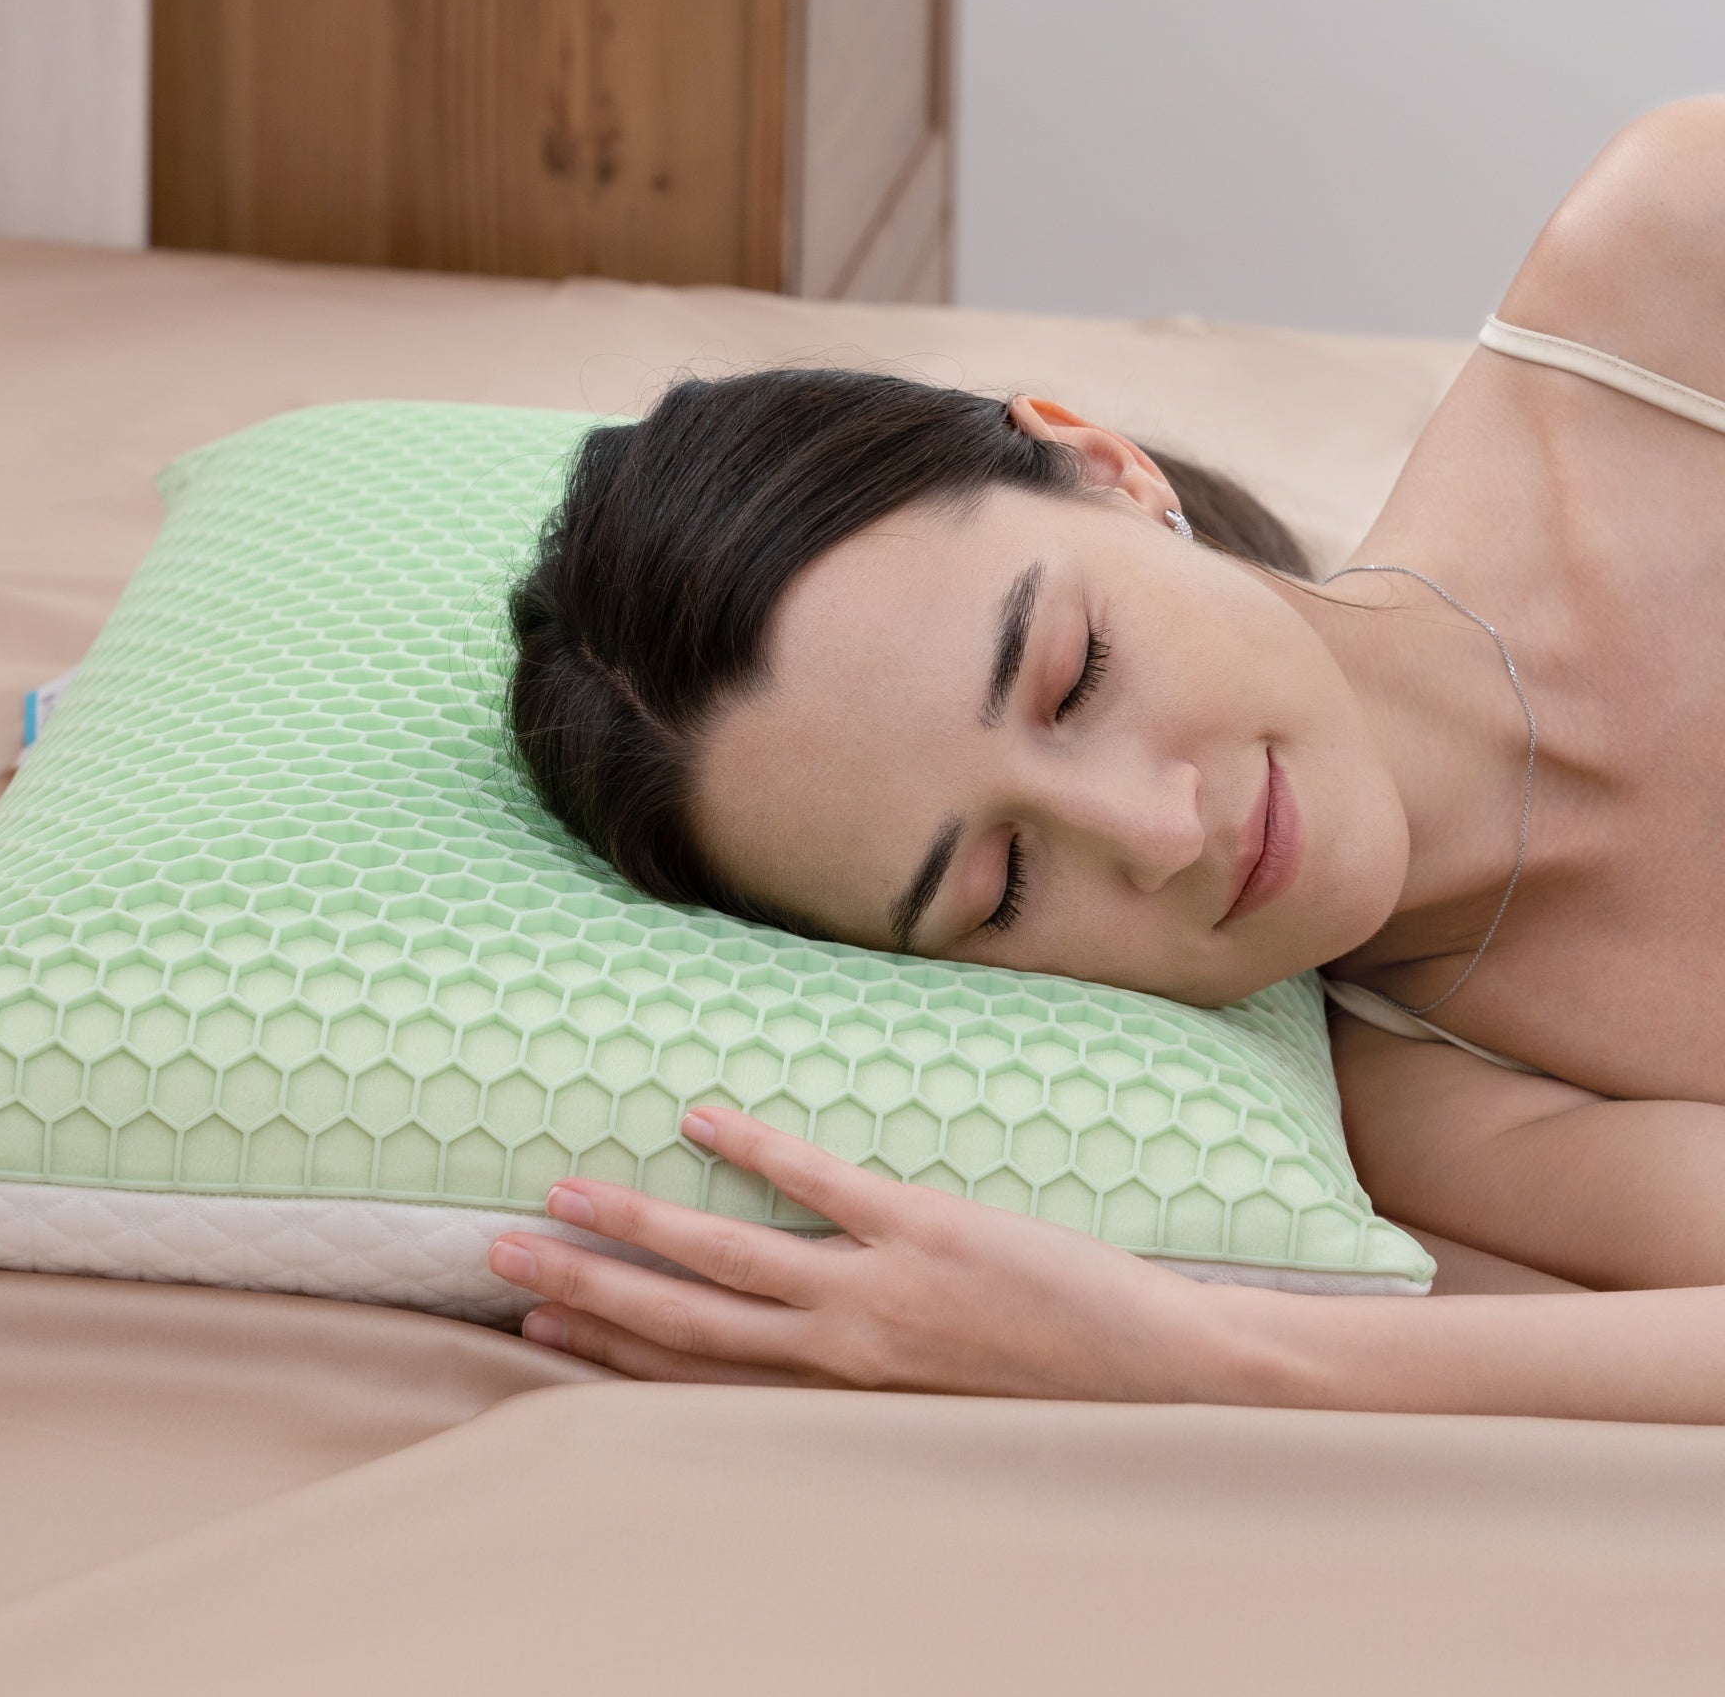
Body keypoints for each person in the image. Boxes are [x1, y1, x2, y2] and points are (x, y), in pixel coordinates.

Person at [488, 97, 1725, 1421]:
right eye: (1002, 885)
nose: (1160, 834)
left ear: (1104, 467)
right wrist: (1188, 1351)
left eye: (1073, 675)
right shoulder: (1438, 1109)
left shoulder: (1664, 267)